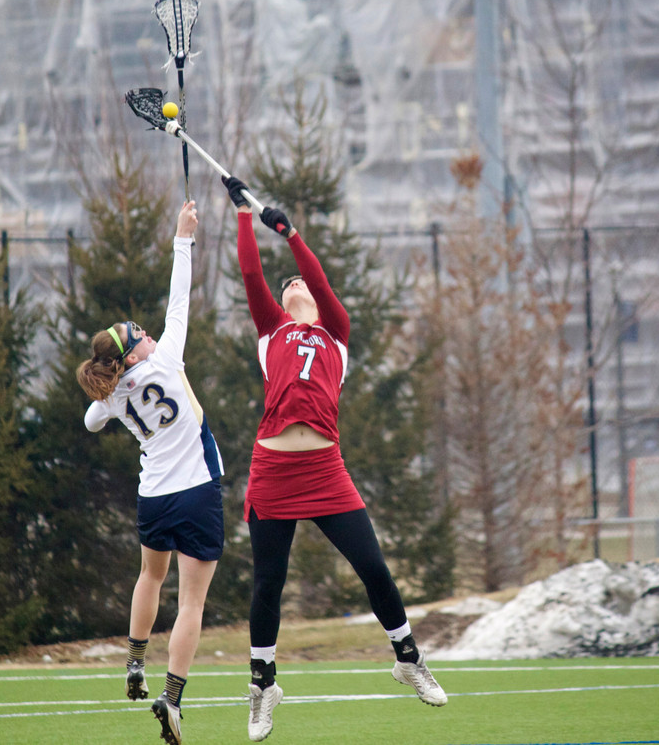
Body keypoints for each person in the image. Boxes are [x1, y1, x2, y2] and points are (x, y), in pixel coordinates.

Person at [222, 176, 447, 742]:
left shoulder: (336, 334)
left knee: (373, 567)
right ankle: (262, 686)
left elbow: (317, 276)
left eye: (301, 283)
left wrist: (292, 235)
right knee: (268, 584)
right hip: (273, 472)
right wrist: (243, 217)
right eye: (289, 284)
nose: (296, 284)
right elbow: (252, 275)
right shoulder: (271, 330)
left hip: (325, 471)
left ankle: (408, 659)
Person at [76, 200, 224, 745]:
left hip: (153, 498)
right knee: (190, 603)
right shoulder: (165, 361)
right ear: (135, 355)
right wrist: (183, 237)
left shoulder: (112, 393)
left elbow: (92, 420)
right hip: (197, 493)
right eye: (139, 335)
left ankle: (135, 662)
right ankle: (173, 695)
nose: (149, 334)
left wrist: (114, 392)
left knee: (150, 578)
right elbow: (180, 298)